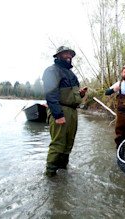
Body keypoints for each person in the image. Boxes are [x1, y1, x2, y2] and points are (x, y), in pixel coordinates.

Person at [42, 46, 88, 177]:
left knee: (68, 144)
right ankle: (50, 175)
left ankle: (62, 171)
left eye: (70, 54)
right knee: (58, 144)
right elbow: (51, 94)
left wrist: (81, 94)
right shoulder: (51, 70)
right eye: (66, 53)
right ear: (58, 56)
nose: (69, 56)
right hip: (60, 110)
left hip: (72, 112)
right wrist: (58, 115)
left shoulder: (72, 74)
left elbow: (73, 95)